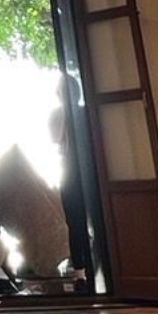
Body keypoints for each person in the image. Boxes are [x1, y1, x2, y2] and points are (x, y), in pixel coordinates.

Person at [47, 101, 91, 282]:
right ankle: (80, 272)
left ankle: (88, 269)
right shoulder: (58, 113)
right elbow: (55, 138)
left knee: (85, 223)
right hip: (70, 170)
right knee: (74, 223)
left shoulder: (84, 111)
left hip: (86, 170)